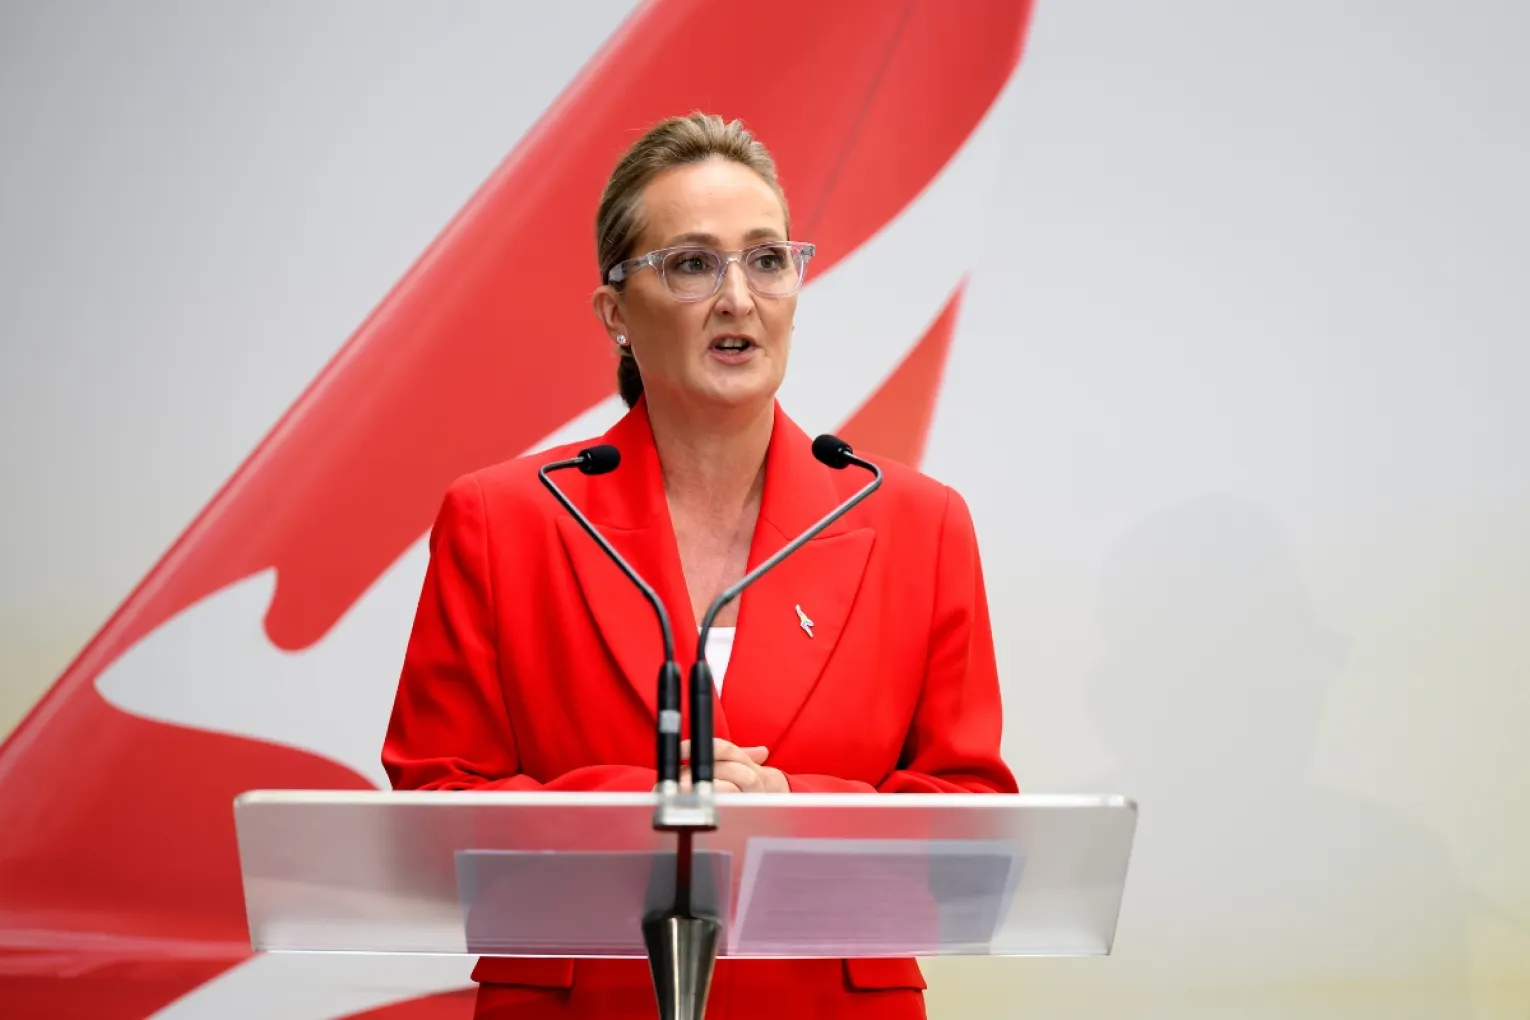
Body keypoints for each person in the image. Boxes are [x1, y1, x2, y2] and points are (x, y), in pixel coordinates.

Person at [382, 112, 1017, 1020]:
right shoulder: (504, 519)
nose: (739, 298)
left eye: (766, 260)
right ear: (616, 314)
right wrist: (642, 803)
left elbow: (970, 816)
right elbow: (432, 806)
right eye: (691, 264)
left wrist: (787, 803)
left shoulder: (917, 524)